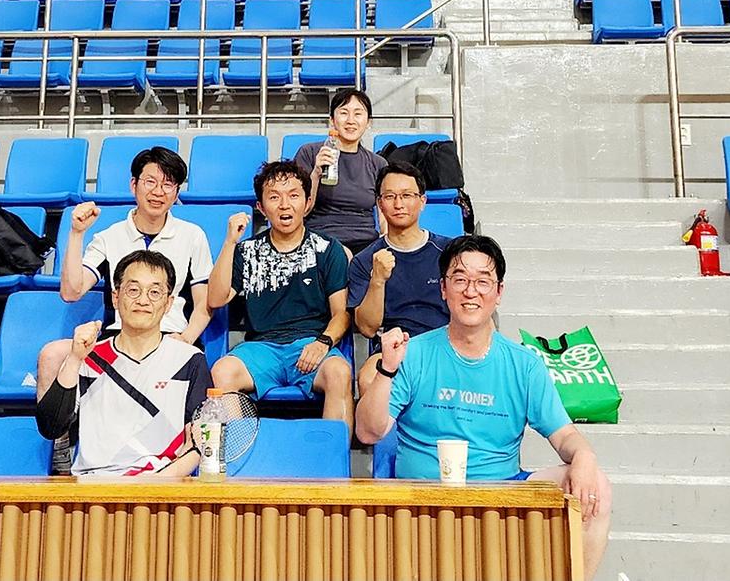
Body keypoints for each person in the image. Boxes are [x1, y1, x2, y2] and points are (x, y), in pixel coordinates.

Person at [355, 235, 611, 581]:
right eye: (459, 279)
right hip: (422, 493)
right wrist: (386, 369)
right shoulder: (414, 353)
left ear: (499, 292)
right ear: (443, 289)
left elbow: (564, 435)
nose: (470, 291)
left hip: (501, 490)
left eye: (482, 281)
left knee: (595, 486)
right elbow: (368, 431)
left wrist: (585, 458)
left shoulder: (524, 365)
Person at [37, 146, 213, 388]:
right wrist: (76, 233)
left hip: (169, 338)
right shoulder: (108, 237)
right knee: (52, 355)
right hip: (118, 340)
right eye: (150, 182)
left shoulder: (193, 236)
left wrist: (186, 338)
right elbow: (71, 292)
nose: (158, 192)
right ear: (134, 185)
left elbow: (204, 304)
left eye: (167, 185)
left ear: (176, 193)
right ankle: (64, 417)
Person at [207, 160, 355, 433]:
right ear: (261, 207)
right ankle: (244, 451)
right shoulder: (247, 250)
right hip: (261, 348)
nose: (285, 205)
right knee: (222, 371)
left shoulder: (327, 249)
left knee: (340, 372)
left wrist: (323, 342)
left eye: (293, 195)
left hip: (311, 343)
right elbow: (216, 299)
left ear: (307, 203)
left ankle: (334, 458)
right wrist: (230, 243)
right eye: (274, 197)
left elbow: (341, 314)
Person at [35, 250, 213, 476]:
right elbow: (51, 427)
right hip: (93, 484)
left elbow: (200, 442)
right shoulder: (89, 356)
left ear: (168, 303)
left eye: (155, 292)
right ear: (115, 297)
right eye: (133, 290)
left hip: (161, 484)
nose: (143, 300)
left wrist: (158, 482)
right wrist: (74, 358)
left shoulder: (188, 360)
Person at [348, 162, 452, 395]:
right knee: (368, 378)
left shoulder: (449, 252)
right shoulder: (365, 260)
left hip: (445, 343)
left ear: (422, 201)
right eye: (390, 196)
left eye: (407, 195)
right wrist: (377, 280)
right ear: (379, 204)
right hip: (393, 347)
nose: (398, 204)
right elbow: (367, 328)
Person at [294, 88, 388, 254]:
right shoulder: (309, 153)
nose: (351, 120)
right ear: (332, 120)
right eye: (344, 113)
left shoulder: (378, 163)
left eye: (358, 114)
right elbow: (300, 210)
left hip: (366, 243)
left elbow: (384, 216)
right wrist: (316, 174)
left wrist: (386, 243)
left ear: (368, 122)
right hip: (320, 241)